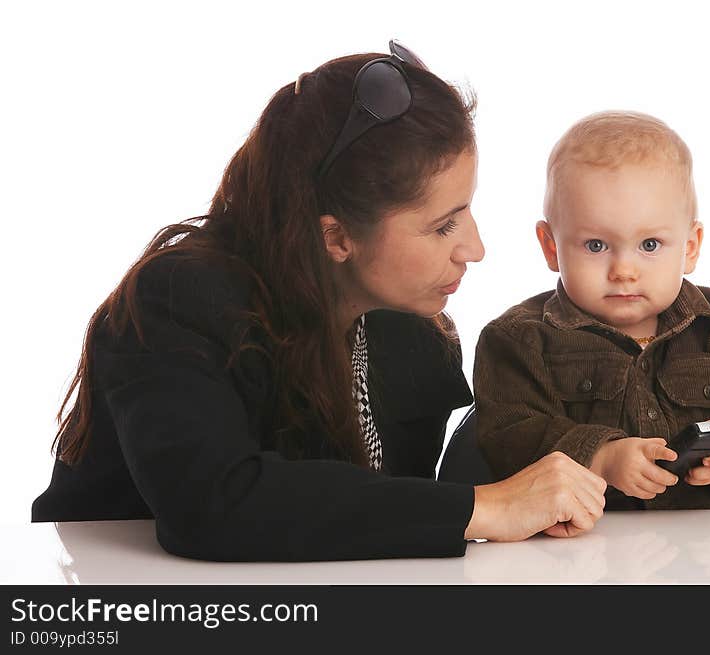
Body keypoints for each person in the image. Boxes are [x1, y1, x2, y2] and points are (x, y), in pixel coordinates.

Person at [32, 42, 607, 561]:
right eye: (442, 226)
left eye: (467, 210)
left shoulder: (413, 335)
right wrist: (481, 508)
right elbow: (215, 506)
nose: (475, 249)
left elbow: (374, 525)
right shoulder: (178, 300)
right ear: (335, 237)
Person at [474, 111, 710, 510]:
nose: (623, 272)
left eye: (649, 245)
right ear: (551, 246)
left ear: (690, 246)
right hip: (583, 559)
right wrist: (601, 457)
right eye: (596, 245)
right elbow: (508, 437)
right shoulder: (519, 341)